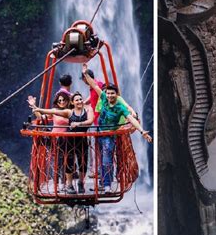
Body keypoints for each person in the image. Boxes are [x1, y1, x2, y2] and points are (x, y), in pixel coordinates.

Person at [82, 63, 152, 193]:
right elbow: (94, 85)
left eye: (112, 94)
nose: (109, 96)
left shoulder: (120, 108)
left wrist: (142, 131)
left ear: (116, 94)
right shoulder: (103, 98)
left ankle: (107, 185)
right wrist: (85, 73)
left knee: (106, 160)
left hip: (109, 136)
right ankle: (104, 182)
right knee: (101, 159)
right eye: (108, 93)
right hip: (99, 134)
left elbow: (131, 119)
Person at [33, 92, 94, 194]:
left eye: (80, 99)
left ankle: (80, 182)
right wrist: (38, 109)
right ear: (72, 102)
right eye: (77, 100)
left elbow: (90, 121)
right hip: (69, 141)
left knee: (83, 163)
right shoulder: (69, 112)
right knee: (69, 163)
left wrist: (78, 123)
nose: (79, 101)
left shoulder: (88, 109)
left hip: (82, 140)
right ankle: (69, 185)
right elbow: (54, 112)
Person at [28, 92, 71, 188]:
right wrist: (33, 105)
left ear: (67, 100)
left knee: (65, 160)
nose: (62, 102)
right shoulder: (54, 112)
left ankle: (63, 182)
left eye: (63, 100)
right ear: (57, 102)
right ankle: (58, 183)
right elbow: (41, 117)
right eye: (59, 100)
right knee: (57, 161)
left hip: (66, 138)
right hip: (55, 139)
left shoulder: (69, 111)